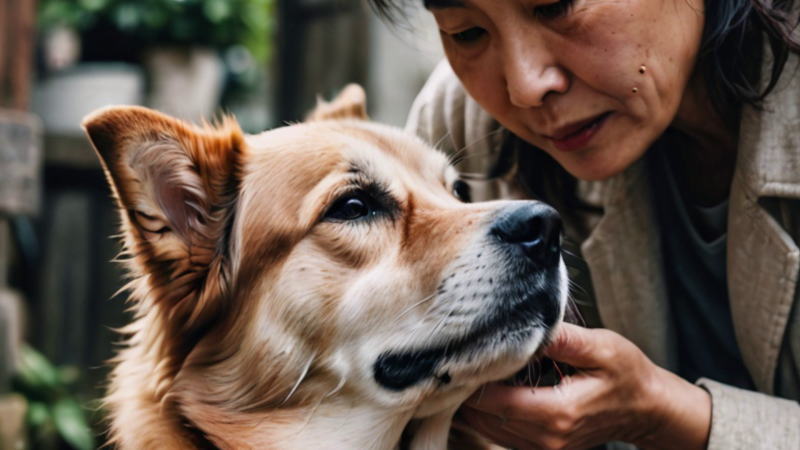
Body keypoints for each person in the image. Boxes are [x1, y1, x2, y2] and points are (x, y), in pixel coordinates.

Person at [368, 0, 800, 449]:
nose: (525, 87)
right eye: (466, 32)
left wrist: (667, 416)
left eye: (554, 6)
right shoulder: (468, 131)